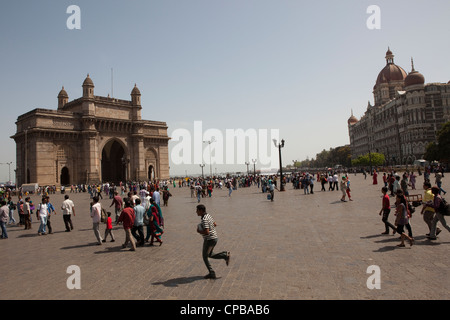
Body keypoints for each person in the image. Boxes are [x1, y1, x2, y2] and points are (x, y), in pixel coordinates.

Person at [196, 204, 230, 279]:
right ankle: (224, 255)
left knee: (205, 256)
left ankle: (211, 273)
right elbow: (215, 224)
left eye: (197, 210)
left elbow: (207, 232)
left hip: (209, 240)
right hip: (214, 238)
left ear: (201, 211)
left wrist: (199, 231)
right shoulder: (208, 215)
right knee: (210, 254)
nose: (196, 212)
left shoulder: (204, 219)